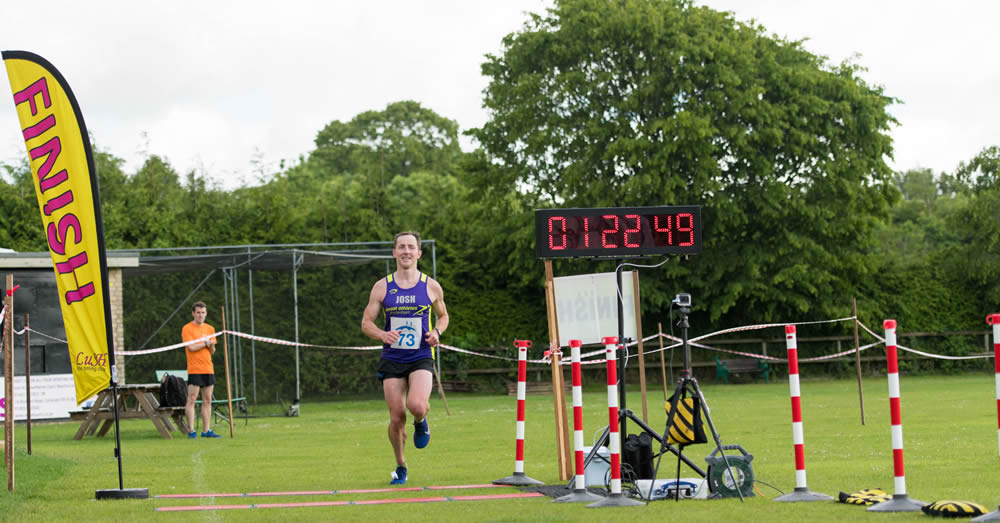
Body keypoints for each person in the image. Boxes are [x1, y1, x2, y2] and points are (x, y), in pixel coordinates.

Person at [361, 231, 449, 485]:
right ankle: (401, 466)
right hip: (392, 356)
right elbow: (366, 322)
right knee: (397, 415)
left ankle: (421, 421)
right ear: (394, 253)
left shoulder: (430, 286)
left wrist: (436, 332)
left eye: (411, 247)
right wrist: (382, 334)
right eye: (401, 247)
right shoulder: (382, 286)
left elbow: (443, 316)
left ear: (419, 253)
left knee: (416, 406)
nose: (406, 251)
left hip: (421, 354)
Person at [182, 301, 222, 438]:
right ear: (193, 313)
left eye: (203, 312)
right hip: (195, 369)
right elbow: (191, 348)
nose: (200, 315)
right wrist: (205, 343)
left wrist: (210, 345)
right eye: (198, 312)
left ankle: (206, 431)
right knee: (192, 399)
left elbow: (212, 351)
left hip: (208, 368)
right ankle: (191, 431)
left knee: (207, 400)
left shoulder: (210, 329)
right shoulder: (187, 328)